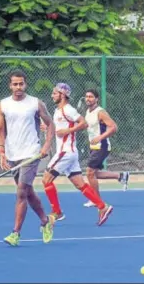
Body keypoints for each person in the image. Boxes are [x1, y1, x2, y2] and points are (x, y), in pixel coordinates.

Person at [0, 70, 56, 246]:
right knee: (28, 193)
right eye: (15, 84)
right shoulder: (3, 105)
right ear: (10, 85)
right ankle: (45, 222)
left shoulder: (35, 103)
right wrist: (1, 152)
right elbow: (0, 130)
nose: (18, 87)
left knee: (21, 191)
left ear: (25, 84)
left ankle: (15, 233)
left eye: (21, 83)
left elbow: (50, 123)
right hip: (12, 153)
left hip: (31, 153)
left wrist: (46, 145)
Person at [42, 83, 113, 226]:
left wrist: (67, 132)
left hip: (66, 152)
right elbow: (59, 128)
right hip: (70, 153)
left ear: (63, 95)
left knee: (46, 180)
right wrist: (48, 128)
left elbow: (83, 123)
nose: (52, 95)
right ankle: (102, 206)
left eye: (55, 93)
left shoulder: (68, 109)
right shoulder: (58, 111)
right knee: (80, 184)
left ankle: (57, 212)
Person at [82, 89, 130, 208]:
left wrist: (100, 137)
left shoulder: (100, 112)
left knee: (89, 172)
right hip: (93, 146)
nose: (88, 99)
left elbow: (113, 127)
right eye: (87, 96)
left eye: (91, 97)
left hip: (101, 146)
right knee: (94, 173)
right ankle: (120, 176)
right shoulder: (88, 112)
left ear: (97, 99)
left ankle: (96, 200)